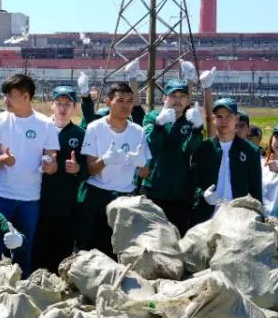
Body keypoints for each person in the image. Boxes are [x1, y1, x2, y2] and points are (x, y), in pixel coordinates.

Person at [0, 73, 58, 274]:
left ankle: (21, 290)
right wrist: (3, 160)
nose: (5, 100)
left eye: (10, 95)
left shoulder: (45, 124)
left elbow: (52, 162)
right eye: (5, 95)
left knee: (24, 248)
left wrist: (49, 166)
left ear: (26, 97)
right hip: (0, 195)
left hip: (30, 198)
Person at [78, 81, 152, 256]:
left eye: (129, 101)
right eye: (120, 100)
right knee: (89, 249)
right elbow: (91, 169)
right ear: (108, 101)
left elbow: (145, 173)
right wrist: (105, 160)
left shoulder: (138, 132)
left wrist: (141, 164)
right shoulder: (95, 128)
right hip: (96, 194)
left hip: (124, 197)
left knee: (117, 251)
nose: (125, 105)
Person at [139, 79, 205, 234]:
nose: (177, 100)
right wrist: (158, 125)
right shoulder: (152, 117)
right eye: (173, 95)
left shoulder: (190, 120)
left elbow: (189, 150)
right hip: (153, 189)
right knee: (149, 239)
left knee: (176, 239)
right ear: (164, 99)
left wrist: (197, 129)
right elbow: (151, 146)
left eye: (182, 96)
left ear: (188, 100)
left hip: (179, 193)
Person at [35, 86, 86, 274]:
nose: (63, 108)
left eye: (68, 104)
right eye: (59, 104)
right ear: (52, 105)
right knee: (38, 245)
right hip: (38, 199)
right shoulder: (40, 129)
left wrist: (78, 168)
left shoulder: (80, 135)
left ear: (74, 108)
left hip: (66, 202)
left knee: (62, 247)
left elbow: (88, 168)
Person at [189, 98, 263, 224]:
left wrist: (260, 216)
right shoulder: (204, 149)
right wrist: (202, 195)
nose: (224, 121)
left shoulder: (251, 152)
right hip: (207, 219)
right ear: (213, 119)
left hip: (238, 219)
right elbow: (191, 184)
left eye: (229, 116)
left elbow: (256, 191)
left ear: (236, 118)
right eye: (219, 116)